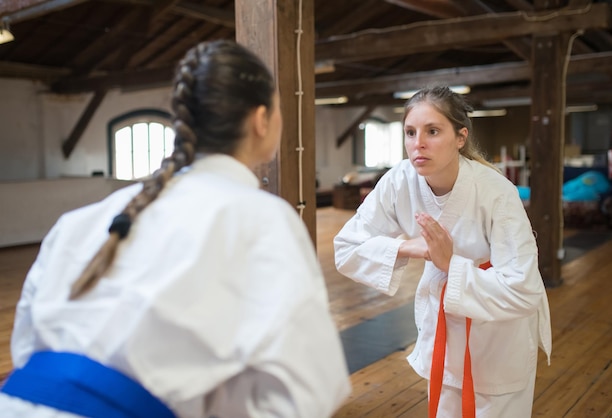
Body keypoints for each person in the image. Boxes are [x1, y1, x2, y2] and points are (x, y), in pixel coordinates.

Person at [0, 40, 351, 418]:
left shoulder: (85, 218)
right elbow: (304, 392)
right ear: (261, 119)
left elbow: (24, 345)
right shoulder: (261, 218)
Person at [334, 86, 551, 418]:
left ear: (460, 137)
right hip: (445, 325)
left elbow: (524, 289)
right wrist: (410, 248)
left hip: (499, 327)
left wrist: (451, 263)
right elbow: (346, 248)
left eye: (432, 131)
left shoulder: (496, 192)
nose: (417, 143)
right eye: (410, 132)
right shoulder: (399, 181)